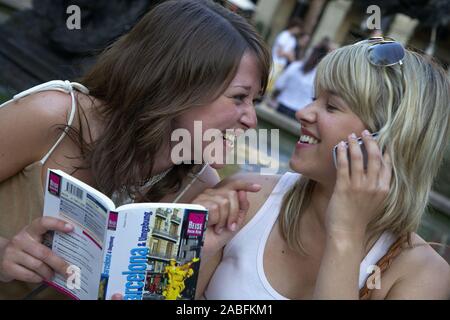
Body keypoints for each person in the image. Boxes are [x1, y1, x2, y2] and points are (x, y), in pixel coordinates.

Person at [0, 0, 270, 299]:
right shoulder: (52, 116)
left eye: (254, 102)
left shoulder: (200, 193)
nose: (251, 120)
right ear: (178, 83)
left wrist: (192, 260)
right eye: (239, 97)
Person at [194, 37, 450, 299]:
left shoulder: (423, 275)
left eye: (331, 106)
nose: (303, 113)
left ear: (387, 140)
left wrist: (345, 234)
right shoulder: (246, 199)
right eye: (314, 98)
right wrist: (186, 247)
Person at [273, 38, 331, 119]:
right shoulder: (320, 77)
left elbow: (279, 84)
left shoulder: (295, 66)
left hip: (283, 105)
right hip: (301, 112)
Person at [266, 18, 304, 95]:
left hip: (282, 64)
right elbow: (279, 52)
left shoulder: (293, 40)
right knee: (268, 82)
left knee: (273, 85)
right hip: (276, 62)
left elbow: (291, 54)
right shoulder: (284, 35)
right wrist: (288, 55)